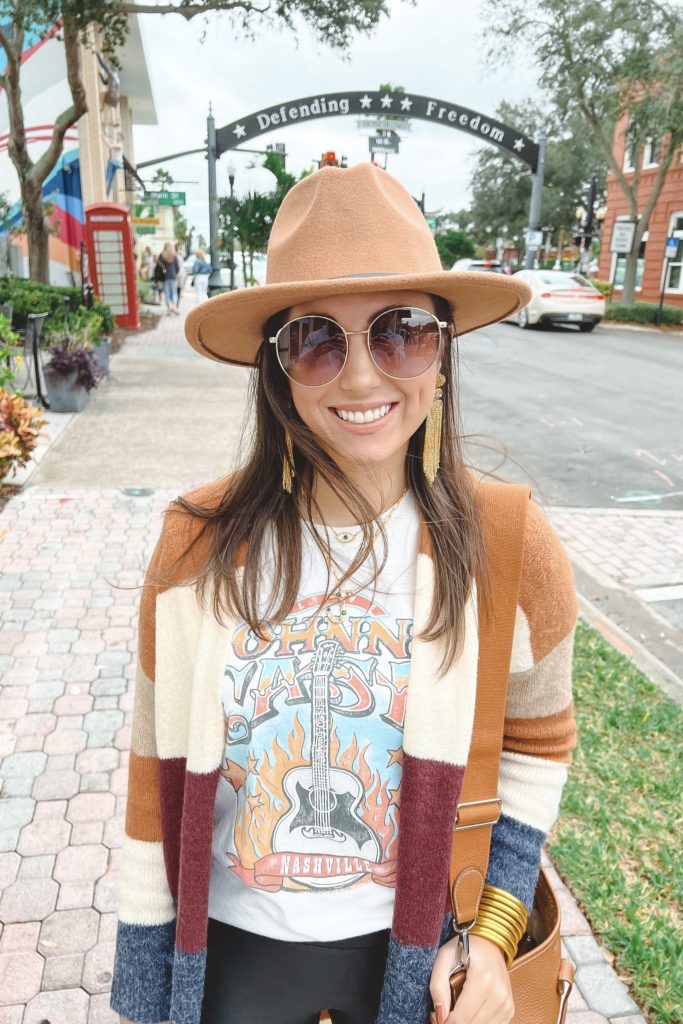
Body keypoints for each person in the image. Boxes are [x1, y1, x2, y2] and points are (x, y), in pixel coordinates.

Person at [110, 164, 578, 1024]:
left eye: (401, 331)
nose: (362, 378)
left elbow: (537, 742)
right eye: (317, 340)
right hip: (229, 954)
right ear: (277, 368)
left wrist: (495, 933)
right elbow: (154, 772)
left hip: (416, 958)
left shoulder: (509, 545)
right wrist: (146, 985)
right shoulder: (196, 544)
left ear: (441, 354)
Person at [154, 242, 181, 314]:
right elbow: (177, 267)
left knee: (167, 293)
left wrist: (161, 274)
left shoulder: (162, 255)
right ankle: (174, 307)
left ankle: (169, 308)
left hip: (165, 277)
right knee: (174, 293)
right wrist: (175, 273)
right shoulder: (174, 256)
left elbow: (159, 266)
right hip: (173, 276)